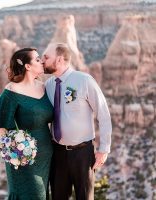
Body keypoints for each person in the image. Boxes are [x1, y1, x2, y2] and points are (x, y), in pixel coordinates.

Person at [42, 43, 112, 200]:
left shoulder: (84, 80)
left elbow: (103, 114)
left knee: (85, 197)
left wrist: (104, 149)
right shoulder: (48, 85)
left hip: (82, 153)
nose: (42, 61)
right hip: (57, 153)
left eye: (46, 57)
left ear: (59, 59)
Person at [0, 47, 54, 199]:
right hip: (23, 158)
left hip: (45, 155)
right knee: (32, 194)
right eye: (37, 59)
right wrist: (15, 151)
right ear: (28, 66)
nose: (42, 61)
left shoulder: (44, 87)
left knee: (42, 195)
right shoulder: (12, 91)